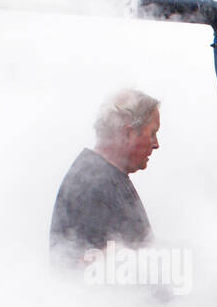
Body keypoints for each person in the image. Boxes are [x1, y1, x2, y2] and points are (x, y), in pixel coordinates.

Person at [49, 89, 160, 265]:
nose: (156, 144)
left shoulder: (107, 175)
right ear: (128, 134)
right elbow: (83, 269)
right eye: (152, 133)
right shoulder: (92, 184)